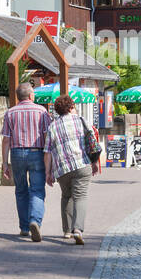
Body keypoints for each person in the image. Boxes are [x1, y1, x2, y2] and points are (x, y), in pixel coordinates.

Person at [43, 94, 101, 245]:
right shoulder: (81, 120)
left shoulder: (52, 126)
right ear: (70, 107)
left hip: (62, 169)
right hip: (82, 164)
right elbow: (92, 142)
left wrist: (48, 173)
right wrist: (95, 162)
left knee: (66, 196)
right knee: (80, 197)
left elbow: (47, 152)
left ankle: (67, 231)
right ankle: (78, 230)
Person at [1, 81, 49, 241]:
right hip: (37, 152)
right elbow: (48, 137)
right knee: (37, 190)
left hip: (17, 153)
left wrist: (4, 163)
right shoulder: (42, 111)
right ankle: (35, 221)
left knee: (21, 191)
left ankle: (24, 227)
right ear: (30, 95)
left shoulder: (10, 113)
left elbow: (6, 140)